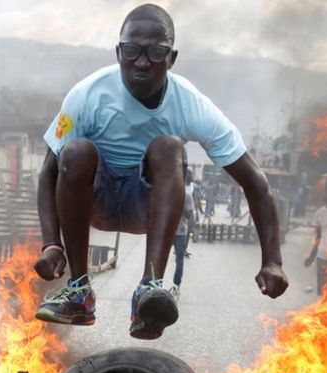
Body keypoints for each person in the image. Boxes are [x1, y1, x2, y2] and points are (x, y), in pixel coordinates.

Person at [33, 4, 288, 339]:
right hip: (97, 201)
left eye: (155, 52)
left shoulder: (192, 105)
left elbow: (256, 183)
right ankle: (79, 291)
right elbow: (48, 174)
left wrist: (273, 260)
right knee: (75, 150)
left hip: (147, 207)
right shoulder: (87, 95)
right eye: (131, 51)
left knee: (169, 147)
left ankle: (148, 289)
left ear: (172, 57)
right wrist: (52, 244)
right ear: (118, 51)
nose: (142, 61)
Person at [171, 168, 196, 299]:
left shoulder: (187, 196)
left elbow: (188, 215)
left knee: (179, 261)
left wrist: (181, 206)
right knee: (158, 258)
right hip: (168, 232)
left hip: (181, 232)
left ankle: (176, 285)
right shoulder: (169, 193)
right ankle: (156, 285)